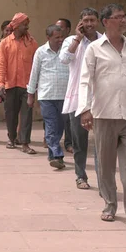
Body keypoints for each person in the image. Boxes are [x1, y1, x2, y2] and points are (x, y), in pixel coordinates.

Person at [77, 3, 126, 228]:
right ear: (106, 21)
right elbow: (85, 80)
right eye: (118, 17)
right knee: (106, 165)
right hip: (104, 114)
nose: (123, 21)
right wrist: (85, 109)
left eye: (124, 17)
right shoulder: (95, 49)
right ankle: (109, 203)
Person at [60, 8, 103, 190]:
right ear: (80, 22)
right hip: (78, 98)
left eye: (92, 20)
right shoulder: (71, 40)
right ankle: (80, 176)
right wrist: (77, 39)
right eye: (86, 20)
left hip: (101, 98)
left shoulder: (104, 41)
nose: (89, 24)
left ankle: (104, 179)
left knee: (102, 142)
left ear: (98, 21)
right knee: (79, 141)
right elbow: (63, 59)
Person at [27, 25, 69, 169]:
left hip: (64, 96)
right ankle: (58, 154)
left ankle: (53, 155)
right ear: (48, 38)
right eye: (57, 37)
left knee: (59, 128)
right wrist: (30, 95)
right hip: (47, 96)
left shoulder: (67, 51)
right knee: (51, 125)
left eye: (61, 37)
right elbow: (34, 74)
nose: (60, 40)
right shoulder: (41, 52)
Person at [0, 13, 38, 154]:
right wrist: (1, 83)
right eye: (24, 24)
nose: (26, 26)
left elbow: (36, 64)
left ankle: (25, 143)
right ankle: (12, 138)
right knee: (11, 114)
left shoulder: (32, 43)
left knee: (27, 115)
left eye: (27, 23)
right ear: (16, 26)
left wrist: (35, 85)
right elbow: (1, 64)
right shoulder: (5, 43)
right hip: (10, 84)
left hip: (27, 85)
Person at [54, 18, 73, 153]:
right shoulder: (49, 46)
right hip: (53, 89)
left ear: (68, 30)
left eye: (61, 28)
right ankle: (51, 141)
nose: (58, 31)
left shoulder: (73, 46)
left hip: (69, 87)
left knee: (69, 119)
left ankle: (69, 143)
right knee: (52, 118)